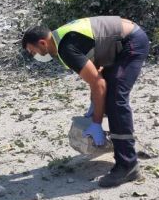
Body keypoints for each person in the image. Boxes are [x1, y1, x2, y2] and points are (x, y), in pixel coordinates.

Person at [21, 16, 150, 187]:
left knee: (116, 100)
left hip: (131, 41)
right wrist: (94, 104)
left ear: (43, 43)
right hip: (121, 42)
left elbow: (98, 83)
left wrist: (96, 122)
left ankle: (128, 165)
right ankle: (121, 147)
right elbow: (96, 73)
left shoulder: (66, 48)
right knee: (108, 96)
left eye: (33, 51)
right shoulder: (62, 40)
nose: (34, 55)